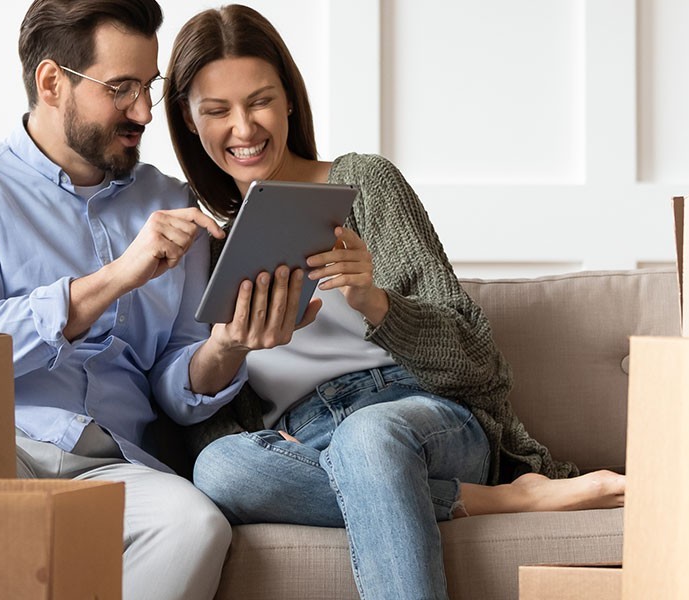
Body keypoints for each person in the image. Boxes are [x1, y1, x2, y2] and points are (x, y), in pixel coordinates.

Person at [164, 6, 628, 599]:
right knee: (220, 469)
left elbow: (477, 360)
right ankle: (507, 500)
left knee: (371, 435)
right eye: (217, 111)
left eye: (259, 101)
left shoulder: (364, 183)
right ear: (190, 119)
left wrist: (377, 301)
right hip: (304, 436)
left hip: (421, 415)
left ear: (288, 103)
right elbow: (208, 415)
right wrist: (228, 345)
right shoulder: (201, 243)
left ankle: (455, 482)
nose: (245, 128)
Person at [0, 1, 316, 598]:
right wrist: (116, 277)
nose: (144, 111)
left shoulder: (170, 201)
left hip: (112, 463)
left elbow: (175, 379)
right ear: (51, 82)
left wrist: (224, 347)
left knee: (194, 525)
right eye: (121, 89)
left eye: (149, 86)